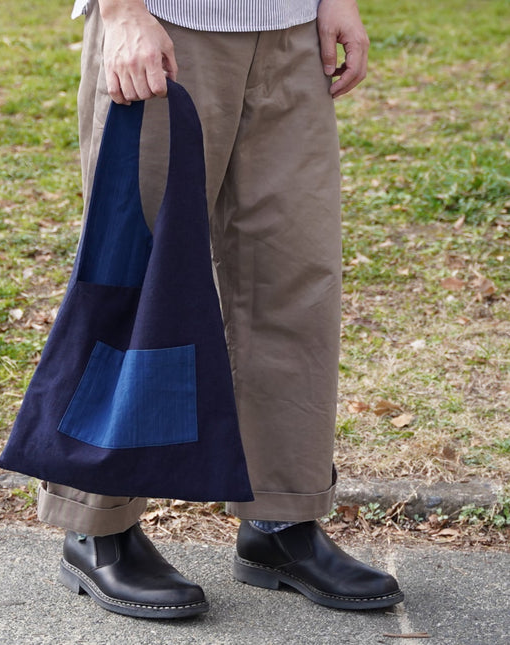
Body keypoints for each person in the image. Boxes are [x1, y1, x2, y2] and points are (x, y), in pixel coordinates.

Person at [37, 0, 404, 618]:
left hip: (289, 32)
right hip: (164, 26)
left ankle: (281, 520)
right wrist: (123, 14)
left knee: (293, 280)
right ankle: (97, 525)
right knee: (134, 271)